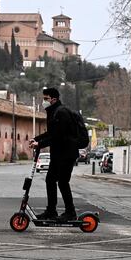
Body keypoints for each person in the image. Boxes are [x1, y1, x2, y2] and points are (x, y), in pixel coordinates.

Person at [28, 87, 79, 221]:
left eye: (46, 99)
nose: (43, 101)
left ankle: (71, 213)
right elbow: (51, 133)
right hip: (59, 154)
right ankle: (51, 211)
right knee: (50, 180)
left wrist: (39, 144)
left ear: (53, 99)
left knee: (62, 182)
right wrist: (36, 139)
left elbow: (58, 136)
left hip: (66, 153)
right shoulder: (53, 112)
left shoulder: (61, 112)